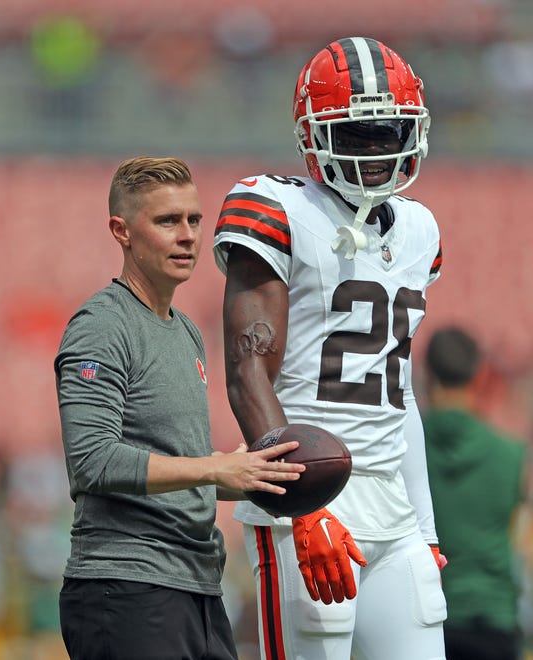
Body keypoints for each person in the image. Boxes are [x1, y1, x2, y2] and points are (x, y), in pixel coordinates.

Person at [213, 37, 447, 660]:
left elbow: (400, 398)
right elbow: (246, 370)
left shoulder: (421, 229)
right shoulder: (277, 205)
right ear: (313, 135)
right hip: (309, 494)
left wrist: (424, 528)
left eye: (389, 130)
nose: (376, 150)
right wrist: (303, 506)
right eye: (358, 133)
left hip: (393, 506)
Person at [53, 156, 306, 660]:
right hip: (126, 585)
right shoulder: (102, 325)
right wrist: (215, 468)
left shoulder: (186, 329)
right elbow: (93, 460)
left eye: (194, 219)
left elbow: (172, 458)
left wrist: (236, 473)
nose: (188, 235)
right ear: (121, 231)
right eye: (168, 221)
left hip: (196, 583)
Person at [423, 327, 529, 660]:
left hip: (425, 617)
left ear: (427, 374)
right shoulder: (511, 454)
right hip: (493, 618)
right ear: (478, 374)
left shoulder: (404, 447)